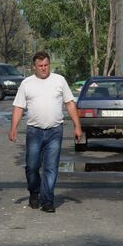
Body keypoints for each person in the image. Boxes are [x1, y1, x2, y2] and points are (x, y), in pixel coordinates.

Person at [9, 51, 82, 213]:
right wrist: (13, 128)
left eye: (46, 65)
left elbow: (70, 103)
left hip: (55, 131)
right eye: (40, 66)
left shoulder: (59, 81)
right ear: (33, 67)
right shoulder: (27, 83)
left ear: (49, 65)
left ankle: (47, 200)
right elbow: (19, 107)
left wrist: (77, 126)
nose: (43, 68)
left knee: (51, 167)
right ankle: (34, 192)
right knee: (32, 166)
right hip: (34, 131)